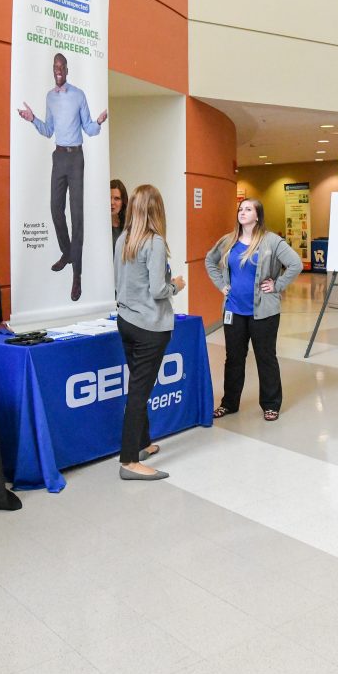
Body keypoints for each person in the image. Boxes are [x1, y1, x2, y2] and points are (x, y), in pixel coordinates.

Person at [16, 52, 107, 302]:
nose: (57, 70)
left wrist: (99, 121)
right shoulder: (50, 97)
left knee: (77, 216)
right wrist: (33, 119)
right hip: (59, 157)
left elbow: (88, 127)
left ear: (67, 69)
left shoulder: (78, 95)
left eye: (61, 66)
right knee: (55, 209)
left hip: (76, 158)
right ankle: (67, 252)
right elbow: (48, 130)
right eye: (54, 66)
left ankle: (77, 275)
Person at [205, 198, 301, 420]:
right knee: (233, 358)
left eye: (248, 209)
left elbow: (295, 264)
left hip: (263, 312)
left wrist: (277, 285)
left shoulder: (271, 241)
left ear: (258, 216)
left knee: (265, 357)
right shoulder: (228, 240)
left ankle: (271, 404)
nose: (242, 212)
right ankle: (229, 403)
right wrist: (221, 285)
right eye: (240, 209)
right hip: (234, 310)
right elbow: (210, 261)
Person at [113, 184, 185, 480]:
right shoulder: (154, 242)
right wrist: (175, 286)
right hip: (149, 328)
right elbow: (158, 290)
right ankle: (129, 461)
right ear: (157, 210)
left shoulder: (123, 239)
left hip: (127, 321)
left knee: (137, 386)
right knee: (139, 392)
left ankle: (141, 444)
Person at [109, 179, 128, 248]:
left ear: (123, 201)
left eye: (116, 198)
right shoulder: (98, 225)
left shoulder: (129, 224)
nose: (111, 202)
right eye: (109, 197)